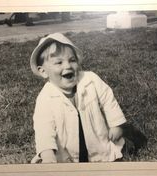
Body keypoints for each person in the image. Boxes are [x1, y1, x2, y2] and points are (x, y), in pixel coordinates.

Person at [30, 33, 127, 163]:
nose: (68, 66)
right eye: (59, 62)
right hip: (67, 153)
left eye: (72, 60)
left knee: (122, 148)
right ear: (43, 71)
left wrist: (116, 125)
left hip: (98, 144)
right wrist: (48, 154)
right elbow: (43, 129)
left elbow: (108, 101)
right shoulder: (45, 98)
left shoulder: (90, 80)